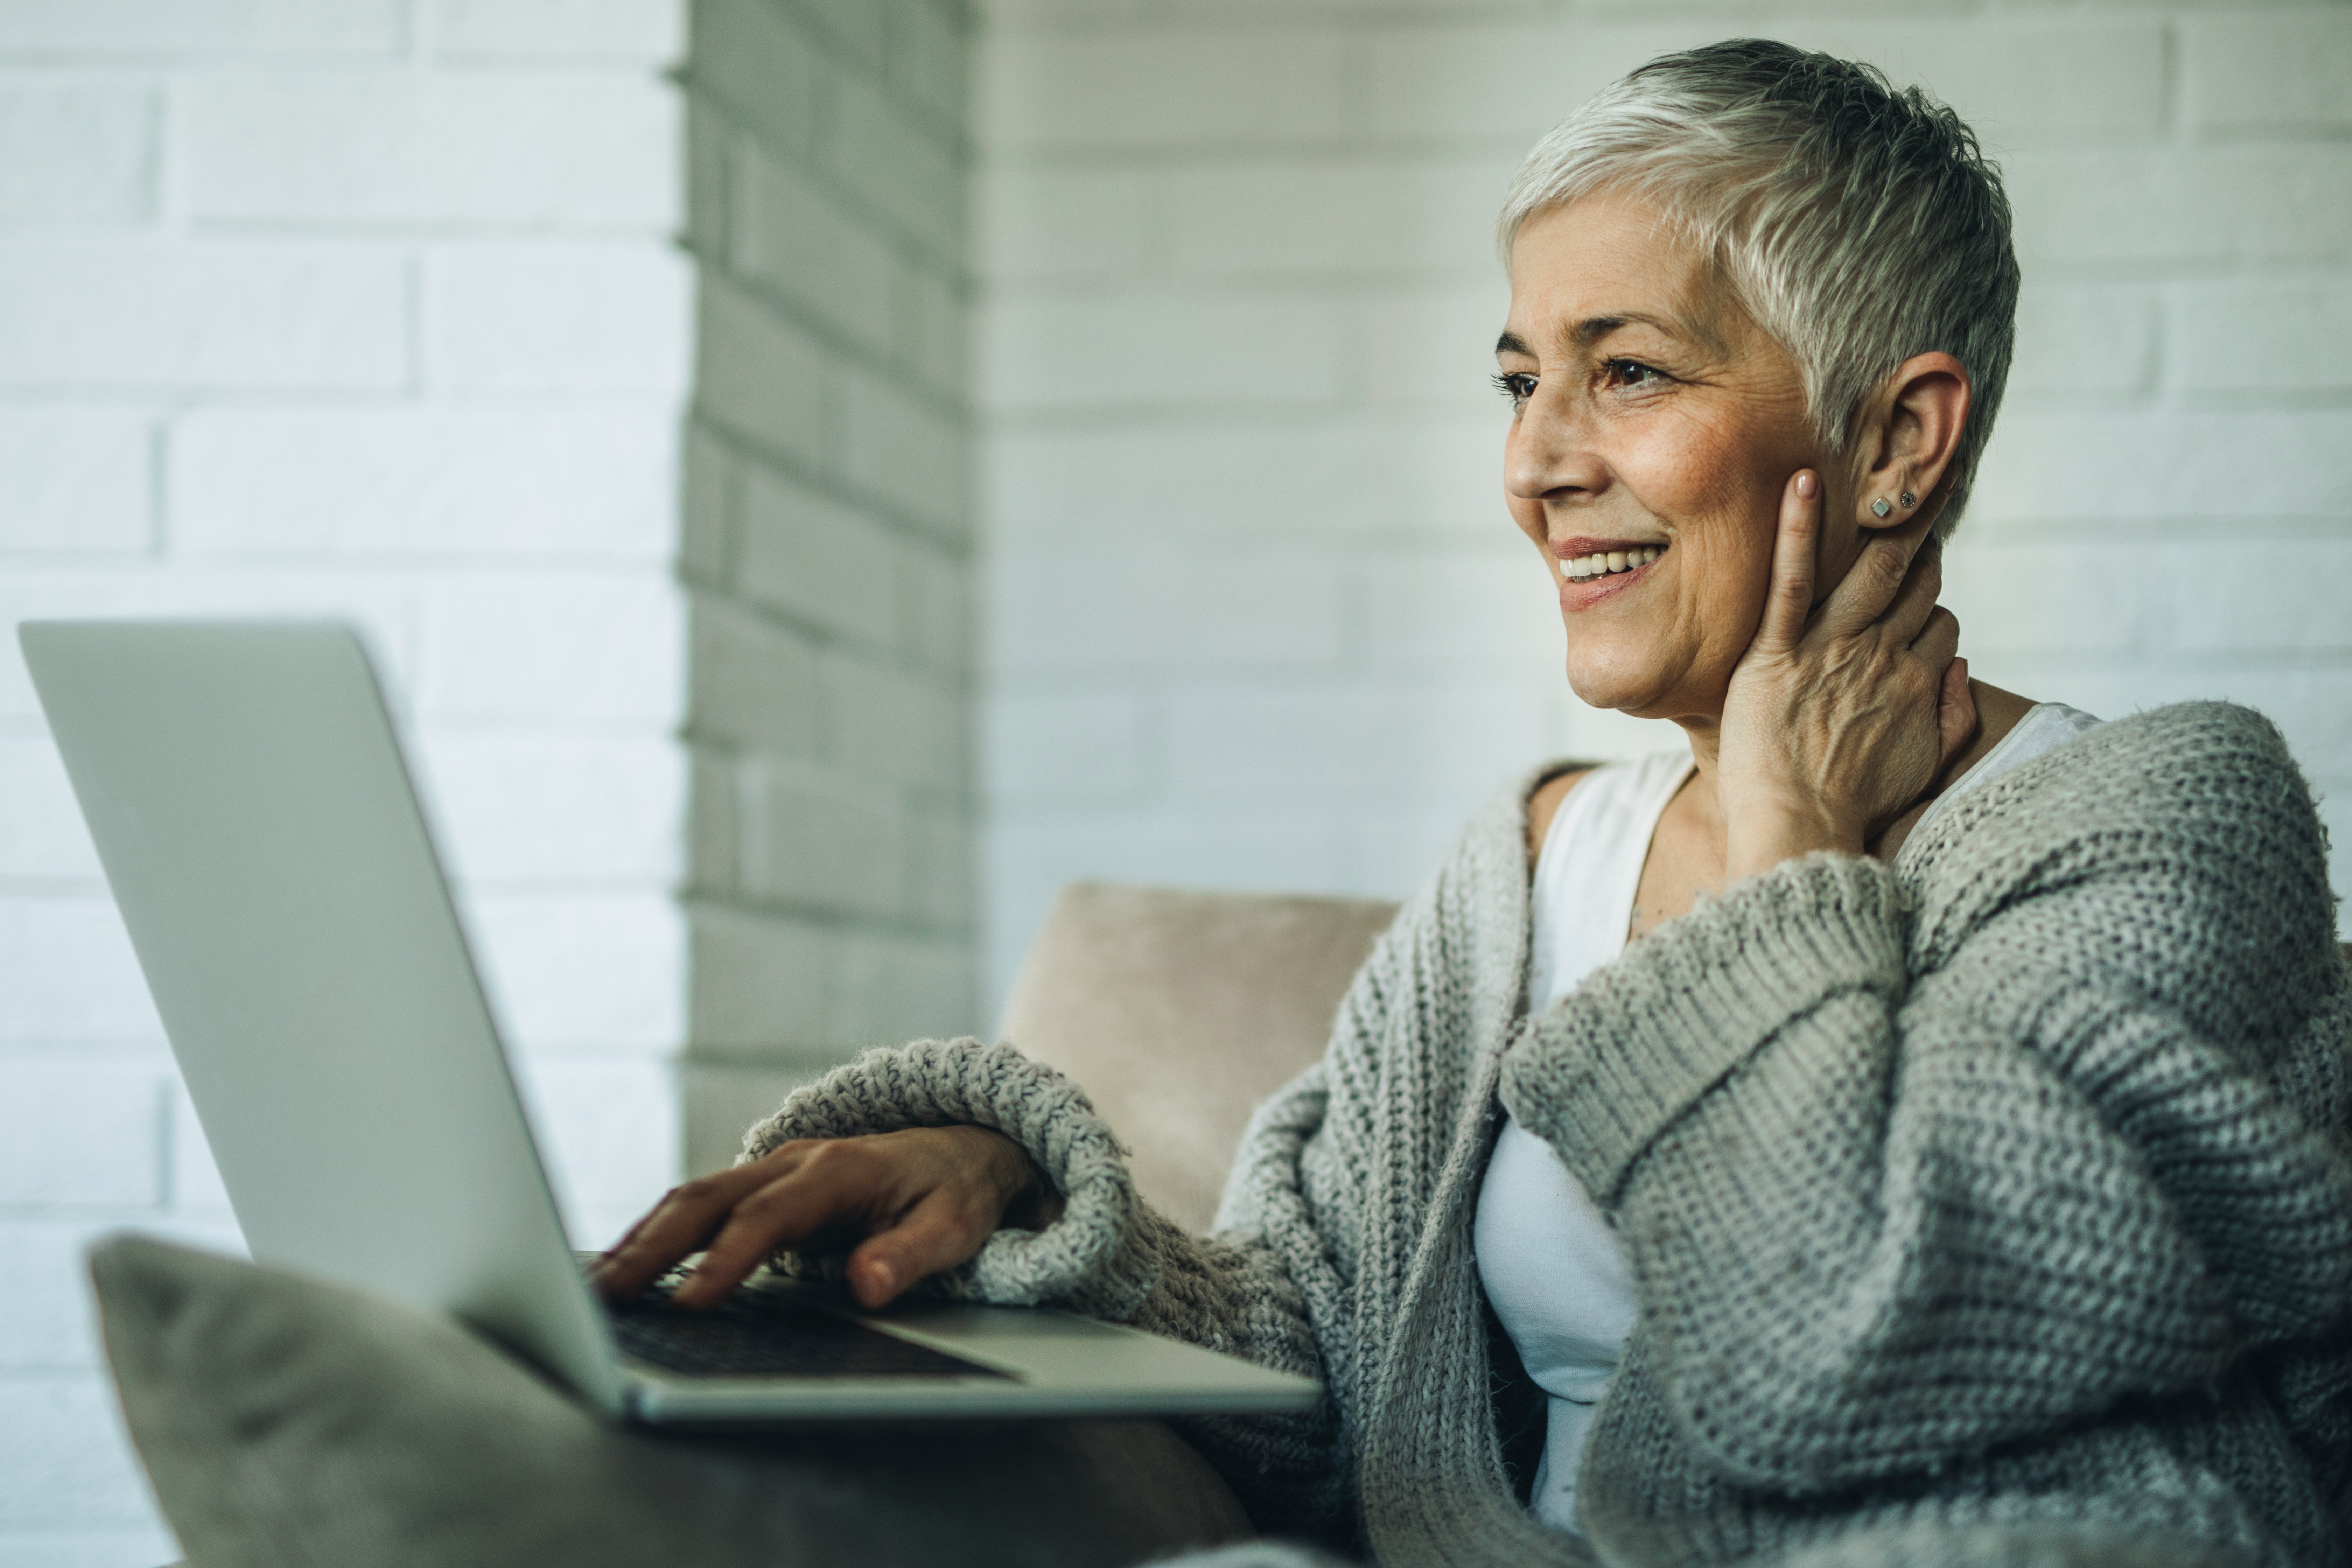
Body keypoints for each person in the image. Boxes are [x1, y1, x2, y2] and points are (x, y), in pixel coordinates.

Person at [593, 40, 2352, 1568]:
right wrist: (1005, 1193)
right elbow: (1334, 1346)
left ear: (1900, 439)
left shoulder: (2157, 824)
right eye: (1522, 378)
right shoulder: (1533, 862)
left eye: (1631, 370)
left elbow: (1853, 1356)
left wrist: (1790, 836)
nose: (1536, 463)